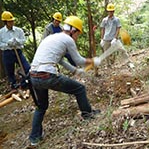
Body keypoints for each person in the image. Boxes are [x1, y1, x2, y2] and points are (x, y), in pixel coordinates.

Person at [28, 15, 101, 146]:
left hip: (33, 76)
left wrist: (74, 71)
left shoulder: (52, 38)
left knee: (41, 106)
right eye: (78, 33)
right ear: (73, 30)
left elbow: (60, 59)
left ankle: (34, 137)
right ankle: (88, 115)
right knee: (79, 89)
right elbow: (79, 60)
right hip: (47, 75)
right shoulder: (68, 40)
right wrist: (92, 61)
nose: (77, 37)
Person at [0, 11, 30, 90]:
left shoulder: (18, 30)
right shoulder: (1, 32)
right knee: (10, 72)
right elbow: (0, 45)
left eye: (12, 21)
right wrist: (8, 44)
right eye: (9, 21)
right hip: (7, 53)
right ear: (5, 22)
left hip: (18, 52)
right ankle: (14, 86)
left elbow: (23, 40)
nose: (12, 22)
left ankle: (24, 84)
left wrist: (17, 41)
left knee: (27, 68)